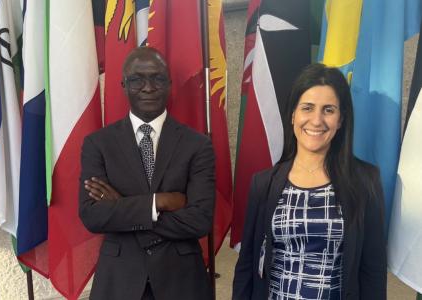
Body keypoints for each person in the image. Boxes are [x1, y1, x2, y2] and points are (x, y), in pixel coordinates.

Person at [233, 64, 387, 300]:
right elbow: (247, 266)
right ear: (293, 114)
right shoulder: (264, 184)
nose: (316, 120)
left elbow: (373, 271)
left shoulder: (365, 182)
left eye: (328, 110)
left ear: (341, 119)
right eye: (307, 108)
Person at [79, 46, 214, 300]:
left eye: (157, 78)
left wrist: (120, 208)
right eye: (137, 80)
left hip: (182, 281)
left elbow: (200, 220)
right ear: (123, 84)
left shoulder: (197, 145)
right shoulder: (98, 144)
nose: (148, 87)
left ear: (170, 84)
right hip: (119, 282)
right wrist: (157, 202)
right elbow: (92, 216)